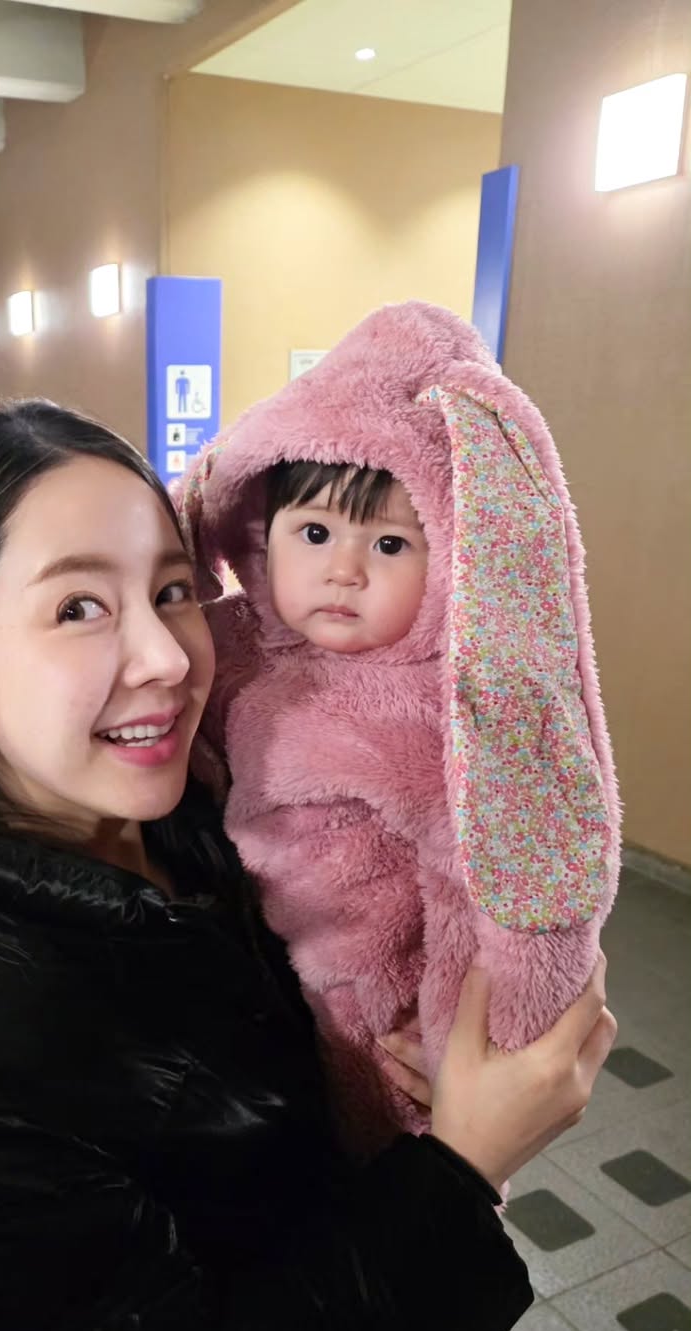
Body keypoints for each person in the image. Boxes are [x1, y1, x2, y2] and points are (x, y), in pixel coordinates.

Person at [0, 399, 616, 1331]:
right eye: (79, 607)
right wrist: (461, 1167)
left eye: (174, 590)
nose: (170, 657)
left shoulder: (198, 813)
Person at [178, 302, 621, 1159]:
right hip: (251, 972)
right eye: (314, 533)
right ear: (262, 539)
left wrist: (468, 1057)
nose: (343, 569)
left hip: (376, 1020)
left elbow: (475, 896)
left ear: (452, 557)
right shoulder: (233, 647)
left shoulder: (457, 713)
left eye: (388, 544)